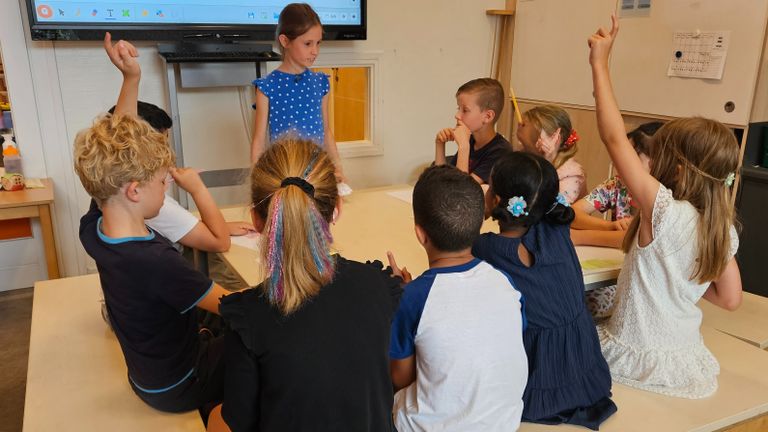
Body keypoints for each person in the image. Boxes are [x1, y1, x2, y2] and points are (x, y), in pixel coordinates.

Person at [75, 33, 230, 412]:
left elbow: (117, 146)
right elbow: (237, 306)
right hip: (181, 385)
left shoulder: (94, 226)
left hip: (150, 377)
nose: (166, 188)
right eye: (163, 181)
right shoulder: (157, 262)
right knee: (262, 337)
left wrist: (131, 79)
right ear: (133, 190)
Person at [589, 14, 743, 398]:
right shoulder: (721, 228)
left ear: (674, 168)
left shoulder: (664, 211)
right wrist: (682, 278)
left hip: (636, 356)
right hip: (683, 356)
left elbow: (612, 137)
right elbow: (730, 299)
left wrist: (599, 64)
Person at [206, 137, 402, 432]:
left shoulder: (249, 317)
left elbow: (238, 423)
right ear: (336, 208)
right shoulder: (379, 286)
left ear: (257, 221)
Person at [473, 152, 617, 430]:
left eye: (489, 186)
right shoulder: (556, 229)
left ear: (498, 200)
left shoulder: (485, 248)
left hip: (540, 370)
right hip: (582, 359)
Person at [388, 165, 527, 431]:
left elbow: (401, 379)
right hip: (503, 424)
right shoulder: (505, 282)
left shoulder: (414, 297)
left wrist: (402, 297)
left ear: (420, 234)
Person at [107, 101, 254, 253]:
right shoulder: (151, 204)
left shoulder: (113, 194)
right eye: (161, 144)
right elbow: (221, 243)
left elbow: (175, 224)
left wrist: (222, 227)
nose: (167, 151)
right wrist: (197, 189)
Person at [250, 3, 345, 183]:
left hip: (318, 175)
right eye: (307, 43)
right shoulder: (267, 87)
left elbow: (326, 132)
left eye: (318, 43)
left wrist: (338, 168)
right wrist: (257, 181)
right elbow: (259, 141)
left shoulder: (321, 83)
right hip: (284, 176)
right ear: (285, 41)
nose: (315, 51)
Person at [434, 78, 512, 184]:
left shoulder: (500, 151)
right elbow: (441, 182)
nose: (457, 115)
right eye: (458, 109)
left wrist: (463, 147)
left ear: (488, 116)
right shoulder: (471, 140)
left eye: (465, 110)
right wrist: (440, 144)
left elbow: (462, 191)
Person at [516, 104, 585, 203]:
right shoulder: (525, 156)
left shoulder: (571, 174)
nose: (520, 125)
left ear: (555, 138)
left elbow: (552, 211)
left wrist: (546, 163)